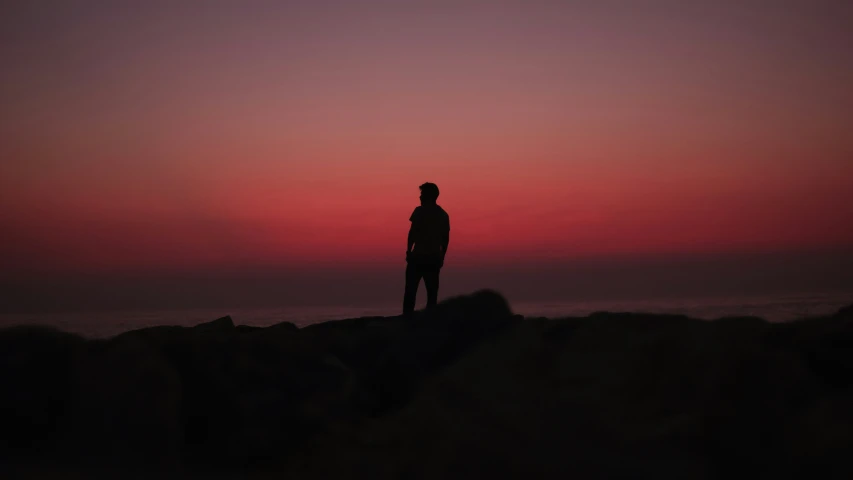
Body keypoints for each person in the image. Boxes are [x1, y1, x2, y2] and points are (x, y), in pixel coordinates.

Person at [403, 182, 450, 315]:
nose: (420, 197)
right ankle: (430, 321)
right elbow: (445, 239)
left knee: (410, 292)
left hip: (418, 257)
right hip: (433, 258)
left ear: (428, 196)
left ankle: (408, 320)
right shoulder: (443, 215)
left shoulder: (419, 211)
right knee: (432, 293)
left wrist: (408, 251)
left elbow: (412, 233)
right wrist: (442, 257)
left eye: (422, 194)